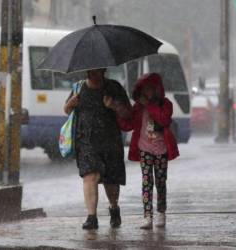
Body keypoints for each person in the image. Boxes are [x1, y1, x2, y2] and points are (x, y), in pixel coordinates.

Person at [64, 68, 132, 230]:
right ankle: (91, 217)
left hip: (110, 142)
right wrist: (70, 104)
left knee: (111, 181)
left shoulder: (114, 88)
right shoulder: (79, 88)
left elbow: (128, 113)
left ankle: (114, 208)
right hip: (86, 142)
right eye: (90, 72)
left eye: (96, 72)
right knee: (90, 176)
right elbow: (67, 110)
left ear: (103, 71)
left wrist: (114, 105)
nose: (92, 75)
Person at [117, 73, 179, 229]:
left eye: (152, 88)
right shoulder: (138, 108)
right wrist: (117, 111)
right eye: (146, 89)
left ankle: (161, 212)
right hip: (144, 149)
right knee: (146, 181)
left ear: (157, 89)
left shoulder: (166, 104)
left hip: (161, 149)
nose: (149, 92)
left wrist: (150, 105)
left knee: (160, 181)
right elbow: (128, 125)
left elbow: (163, 119)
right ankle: (147, 215)